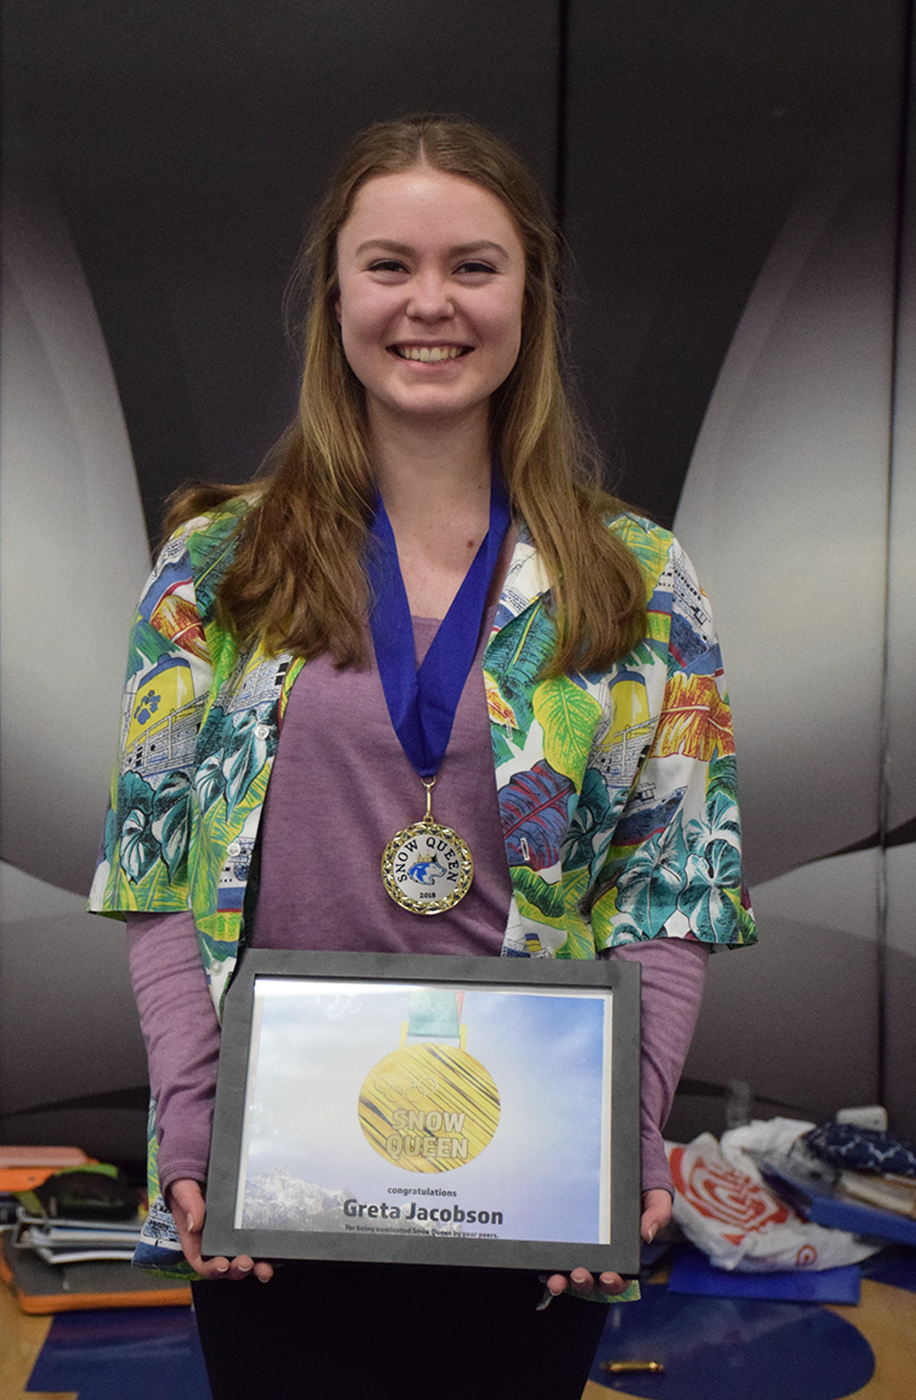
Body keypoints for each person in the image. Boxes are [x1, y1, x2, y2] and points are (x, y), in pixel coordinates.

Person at [90, 113, 756, 1399]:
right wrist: (189, 1121)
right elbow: (154, 871)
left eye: (474, 265)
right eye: (388, 264)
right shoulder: (213, 569)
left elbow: (670, 892)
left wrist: (616, 1142)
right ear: (333, 293)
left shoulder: (639, 580)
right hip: (275, 1186)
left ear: (529, 297)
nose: (429, 304)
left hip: (528, 1192)